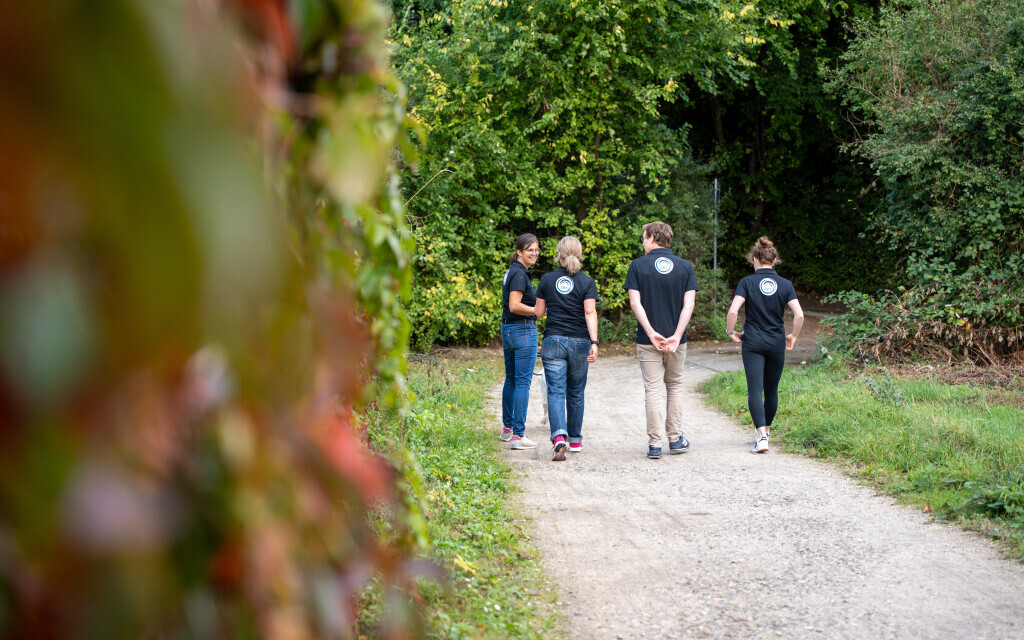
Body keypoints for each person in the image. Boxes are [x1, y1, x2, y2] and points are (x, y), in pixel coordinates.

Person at [623, 221, 698, 460]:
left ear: (653, 237)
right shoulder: (685, 267)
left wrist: (650, 331)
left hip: (648, 339)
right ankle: (675, 439)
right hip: (677, 340)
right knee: (674, 385)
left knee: (653, 389)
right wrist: (676, 335)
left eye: (644, 237)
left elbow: (636, 303)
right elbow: (689, 304)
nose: (642, 242)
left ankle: (655, 444)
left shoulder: (637, 266)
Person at [725, 236, 804, 454]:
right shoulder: (786, 284)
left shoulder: (746, 283)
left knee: (754, 390)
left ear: (755, 260)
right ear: (775, 260)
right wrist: (793, 336)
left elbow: (733, 311)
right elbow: (799, 314)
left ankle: (760, 437)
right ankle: (766, 432)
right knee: (771, 390)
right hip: (776, 342)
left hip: (752, 342)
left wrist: (731, 331)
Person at [534, 237, 600, 461]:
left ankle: (558, 437)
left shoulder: (546, 279)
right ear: (580, 255)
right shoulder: (587, 282)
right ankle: (575, 440)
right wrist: (594, 342)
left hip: (553, 341)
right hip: (580, 342)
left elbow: (539, 313)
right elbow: (589, 313)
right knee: (576, 392)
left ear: (558, 254)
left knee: (556, 391)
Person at [500, 233, 541, 449]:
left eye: (536, 250)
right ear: (519, 252)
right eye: (530, 250)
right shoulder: (519, 274)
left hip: (509, 329)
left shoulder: (514, 271)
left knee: (512, 380)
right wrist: (537, 310)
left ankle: (508, 430)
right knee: (522, 382)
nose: (534, 253)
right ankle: (518, 435)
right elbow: (515, 305)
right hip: (522, 329)